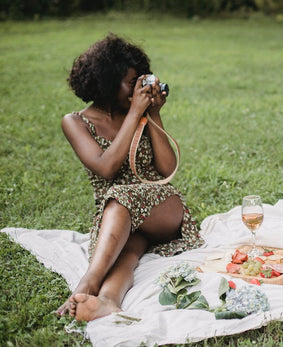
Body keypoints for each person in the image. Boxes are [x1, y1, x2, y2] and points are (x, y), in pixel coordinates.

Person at [56, 34, 204, 321]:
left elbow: (166, 168)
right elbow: (106, 168)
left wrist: (152, 114)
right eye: (132, 81)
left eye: (142, 80)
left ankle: (87, 282)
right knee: (127, 253)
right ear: (107, 81)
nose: (138, 89)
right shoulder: (75, 122)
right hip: (119, 217)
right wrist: (136, 111)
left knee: (122, 198)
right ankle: (108, 301)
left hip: (163, 206)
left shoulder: (138, 113)